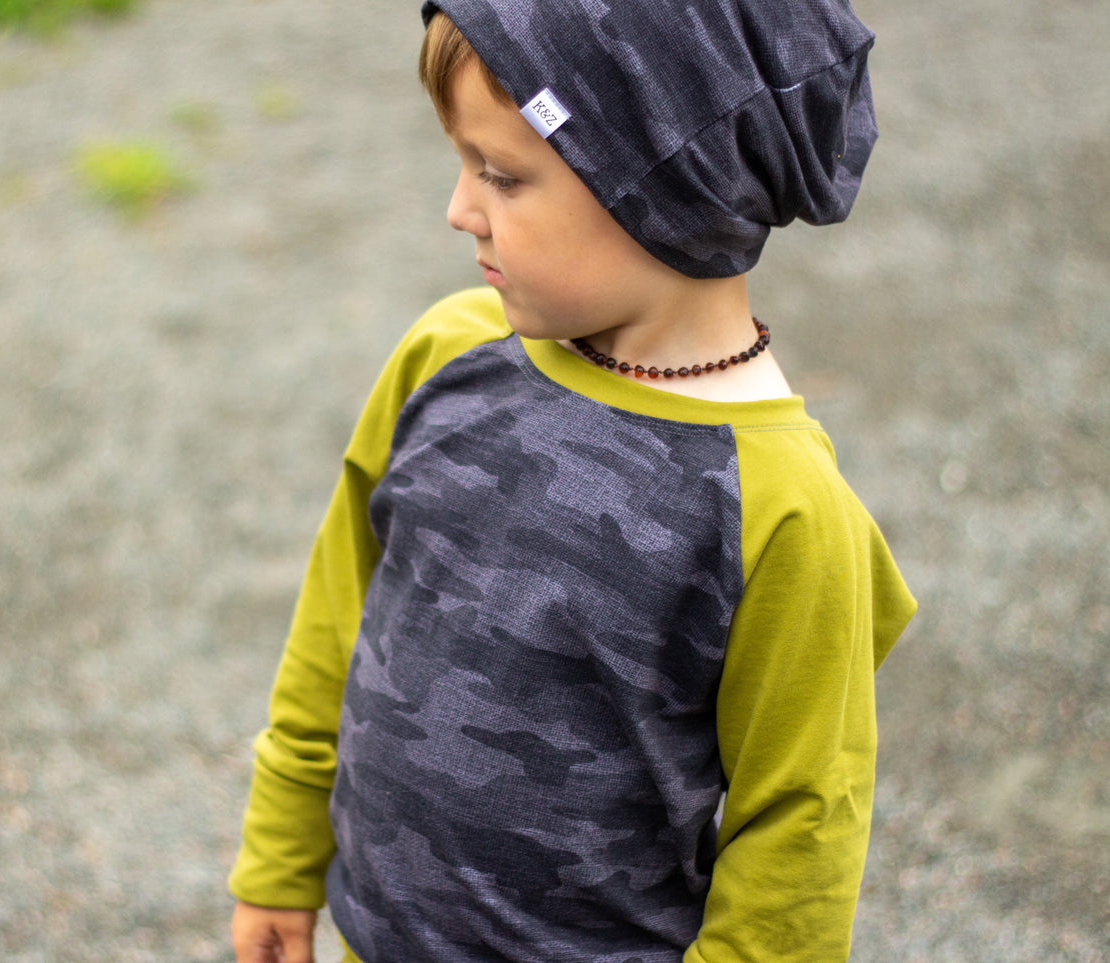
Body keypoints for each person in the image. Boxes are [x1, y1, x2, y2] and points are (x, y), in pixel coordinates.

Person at [228, 1, 916, 960]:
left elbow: (800, 832)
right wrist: (279, 852)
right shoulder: (448, 352)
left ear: (664, 188)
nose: (460, 209)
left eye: (503, 175)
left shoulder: (782, 512)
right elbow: (336, 614)